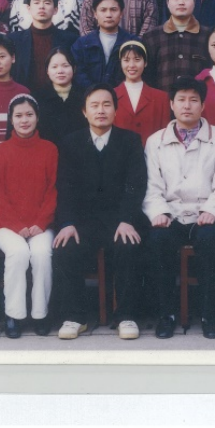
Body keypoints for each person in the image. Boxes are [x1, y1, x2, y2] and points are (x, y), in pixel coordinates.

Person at [53, 85, 149, 341]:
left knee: (128, 244)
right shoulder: (71, 143)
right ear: (84, 112)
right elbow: (65, 187)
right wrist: (67, 222)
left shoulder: (130, 141)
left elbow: (136, 184)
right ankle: (76, 316)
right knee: (65, 247)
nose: (101, 110)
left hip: (118, 219)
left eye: (107, 105)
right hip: (83, 221)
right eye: (94, 105)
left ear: (116, 110)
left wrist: (127, 219)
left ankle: (126, 315)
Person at [143, 77, 215, 339]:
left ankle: (209, 315)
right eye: (181, 100)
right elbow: (152, 184)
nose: (187, 106)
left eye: (193, 100)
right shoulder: (155, 141)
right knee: (158, 240)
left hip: (207, 213)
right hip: (171, 214)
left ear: (203, 105)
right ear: (171, 104)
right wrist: (159, 212)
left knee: (210, 239)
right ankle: (167, 314)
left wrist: (212, 210)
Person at [0, 94, 59, 339]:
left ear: (37, 117)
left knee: (41, 253)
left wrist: (41, 222)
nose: (24, 120)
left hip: (41, 225)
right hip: (7, 226)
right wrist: (16, 225)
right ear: (11, 119)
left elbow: (53, 190)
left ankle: (40, 314)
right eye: (18, 116)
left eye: (29, 115)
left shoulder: (49, 149)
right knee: (18, 253)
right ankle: (14, 315)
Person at [142, 0, 212, 92]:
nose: (181, 2)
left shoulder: (208, 35)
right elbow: (147, 77)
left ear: (194, 2)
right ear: (167, 3)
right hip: (162, 100)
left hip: (197, 100)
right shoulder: (151, 37)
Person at [10, 0, 77, 91]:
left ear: (55, 9)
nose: (41, 7)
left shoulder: (70, 40)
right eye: (36, 3)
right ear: (28, 8)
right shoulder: (14, 40)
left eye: (47, 3)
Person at [71, 0, 138, 89]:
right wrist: (96, 92)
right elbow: (78, 74)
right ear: (95, 14)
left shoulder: (132, 43)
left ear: (121, 13)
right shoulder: (81, 44)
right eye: (103, 10)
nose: (108, 15)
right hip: (89, 96)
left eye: (113, 10)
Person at [113, 40, 170, 146]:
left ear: (145, 63)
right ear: (120, 63)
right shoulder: (111, 96)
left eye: (137, 60)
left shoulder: (161, 98)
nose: (131, 65)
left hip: (152, 154)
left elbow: (165, 135)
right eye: (126, 60)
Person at [33, 47, 88, 145]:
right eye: (54, 67)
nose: (60, 71)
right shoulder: (37, 97)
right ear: (47, 70)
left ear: (74, 68)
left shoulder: (86, 96)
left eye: (65, 66)